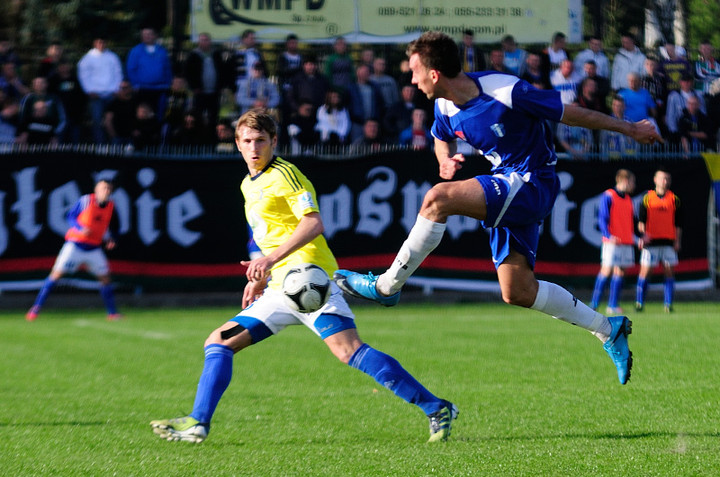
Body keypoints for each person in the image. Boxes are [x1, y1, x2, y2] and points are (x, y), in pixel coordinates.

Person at [334, 31, 661, 389]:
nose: (410, 80)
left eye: (414, 71)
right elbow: (440, 136)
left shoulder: (504, 90)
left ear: (434, 73)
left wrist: (629, 128)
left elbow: (572, 113)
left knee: (437, 200)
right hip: (507, 183)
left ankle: (385, 286)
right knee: (517, 291)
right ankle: (607, 329)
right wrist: (444, 160)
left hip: (533, 181)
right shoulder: (443, 105)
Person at [150, 110, 457, 444]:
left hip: (310, 282)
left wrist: (270, 259)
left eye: (261, 141)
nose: (255, 148)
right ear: (237, 144)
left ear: (274, 142)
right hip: (280, 288)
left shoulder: (286, 174)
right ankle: (198, 423)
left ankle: (436, 407)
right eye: (248, 141)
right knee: (220, 341)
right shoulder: (247, 184)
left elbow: (313, 223)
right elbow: (265, 233)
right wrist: (260, 273)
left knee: (348, 351)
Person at [26, 179, 121, 322]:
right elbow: (71, 216)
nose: (105, 191)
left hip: (94, 248)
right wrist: (80, 228)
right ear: (96, 190)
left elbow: (110, 226)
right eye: (103, 188)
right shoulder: (86, 201)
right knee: (55, 276)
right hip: (75, 246)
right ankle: (36, 309)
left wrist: (111, 239)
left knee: (106, 279)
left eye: (108, 189)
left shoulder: (111, 207)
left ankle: (112, 313)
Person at [590, 169, 637, 315]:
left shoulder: (628, 199)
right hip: (612, 242)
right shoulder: (609, 195)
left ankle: (613, 305)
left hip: (626, 241)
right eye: (632, 181)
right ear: (624, 180)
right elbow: (602, 218)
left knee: (621, 271)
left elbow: (628, 223)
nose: (633, 185)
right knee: (606, 270)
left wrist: (636, 238)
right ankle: (594, 303)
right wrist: (608, 235)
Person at [635, 170, 682, 313]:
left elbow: (678, 224)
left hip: (668, 242)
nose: (665, 181)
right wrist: (643, 236)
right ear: (655, 179)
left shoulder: (674, 199)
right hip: (651, 243)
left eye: (667, 178)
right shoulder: (647, 198)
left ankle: (668, 304)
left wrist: (677, 241)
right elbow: (641, 222)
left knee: (669, 272)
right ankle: (639, 303)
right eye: (662, 178)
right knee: (645, 272)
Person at [77, 37, 124, 143]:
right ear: (94, 43)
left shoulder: (113, 57)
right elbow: (83, 76)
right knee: (97, 121)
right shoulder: (87, 58)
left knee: (113, 121)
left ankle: (115, 144)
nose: (101, 44)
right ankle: (100, 145)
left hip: (112, 94)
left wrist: (117, 89)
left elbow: (118, 73)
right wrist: (89, 90)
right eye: (99, 42)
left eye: (103, 42)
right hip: (95, 95)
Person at [185, 32, 229, 133]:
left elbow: (223, 71)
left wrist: (221, 86)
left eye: (206, 40)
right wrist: (194, 87)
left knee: (213, 117)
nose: (205, 42)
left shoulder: (216, 54)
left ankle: (211, 141)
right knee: (198, 116)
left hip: (214, 92)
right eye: (202, 40)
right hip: (199, 92)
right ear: (198, 42)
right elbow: (188, 73)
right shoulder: (193, 55)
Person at [126, 27, 173, 117]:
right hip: (143, 89)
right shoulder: (136, 51)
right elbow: (131, 69)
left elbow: (167, 68)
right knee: (143, 114)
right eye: (144, 34)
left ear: (155, 36)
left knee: (159, 113)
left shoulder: (162, 51)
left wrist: (168, 83)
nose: (147, 36)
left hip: (160, 88)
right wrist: (135, 84)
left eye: (149, 34)